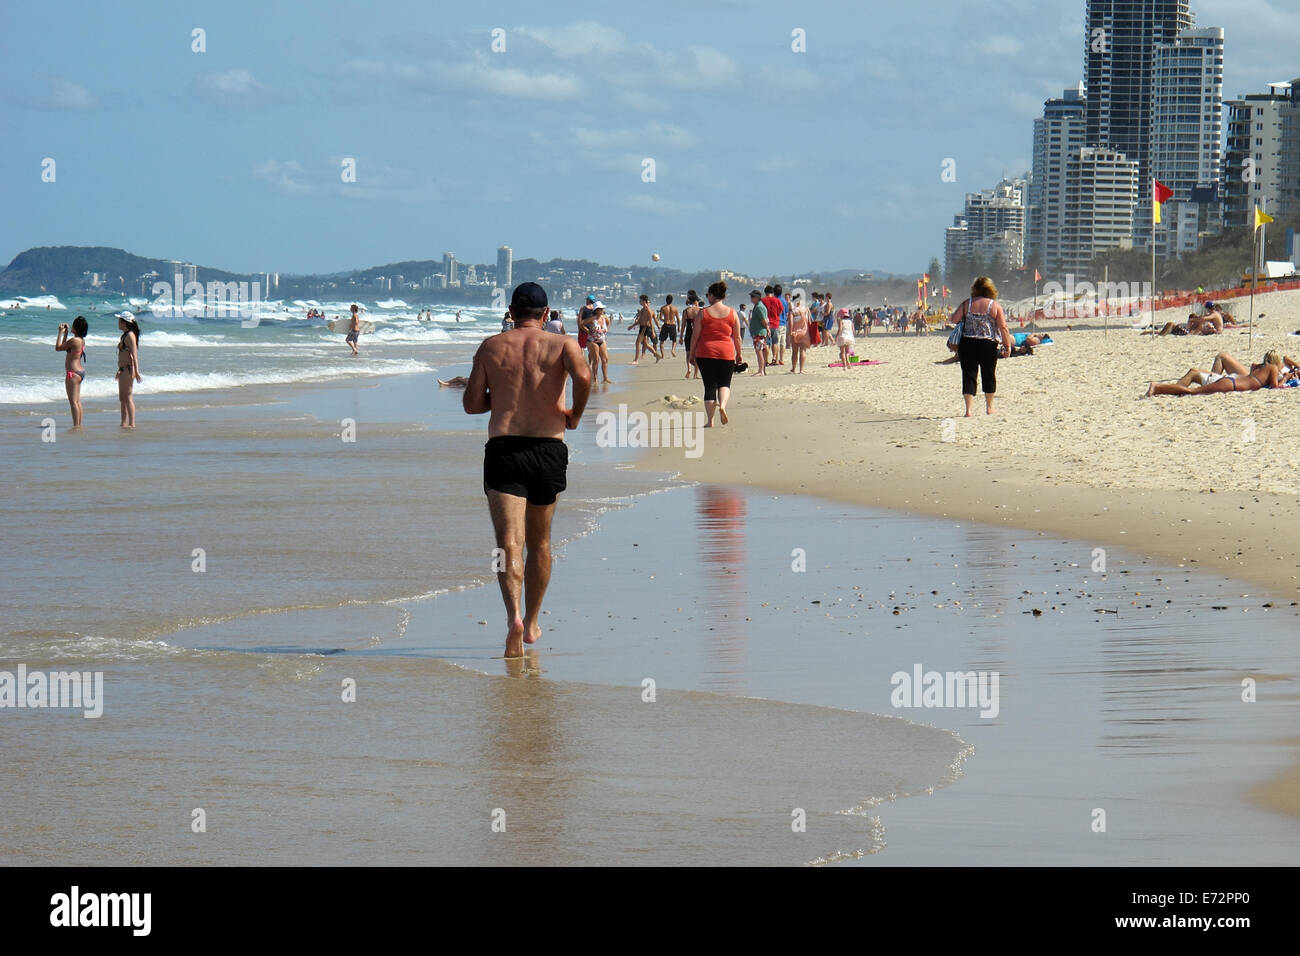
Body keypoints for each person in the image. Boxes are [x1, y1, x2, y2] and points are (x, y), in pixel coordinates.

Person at [463, 282, 592, 659]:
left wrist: (501, 395)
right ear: (547, 312)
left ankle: (514, 618)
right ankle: (534, 621)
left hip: (505, 448)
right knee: (541, 542)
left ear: (511, 311)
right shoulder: (563, 345)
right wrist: (575, 415)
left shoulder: (491, 346)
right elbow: (584, 378)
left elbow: (472, 405)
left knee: (508, 544)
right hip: (548, 447)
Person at [950, 277, 1013, 416]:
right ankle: (989, 407)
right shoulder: (994, 305)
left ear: (975, 289)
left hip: (967, 342)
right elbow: (1003, 327)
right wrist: (1007, 345)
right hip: (988, 344)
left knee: (968, 375)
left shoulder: (967, 303)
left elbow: (954, 319)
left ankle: (968, 410)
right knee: (988, 374)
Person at [688, 281, 742, 426]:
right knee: (724, 384)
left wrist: (691, 353)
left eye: (708, 295)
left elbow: (695, 336)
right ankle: (723, 406)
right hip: (727, 352)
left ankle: (710, 420)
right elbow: (737, 337)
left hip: (705, 352)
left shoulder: (703, 313)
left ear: (712, 295)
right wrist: (739, 354)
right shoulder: (732, 312)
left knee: (710, 386)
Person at [1146, 350, 1294, 396]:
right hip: (1232, 385)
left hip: (1233, 380)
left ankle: (1160, 389)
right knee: (1193, 391)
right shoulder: (1273, 369)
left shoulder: (1259, 367)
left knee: (1194, 390)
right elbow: (1275, 387)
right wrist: (1285, 378)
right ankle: (1157, 388)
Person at [55, 315, 88, 428]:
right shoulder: (80, 340)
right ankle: (79, 424)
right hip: (79, 372)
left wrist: (60, 332)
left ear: (76, 328)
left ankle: (76, 426)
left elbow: (58, 347)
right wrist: (66, 334)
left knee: (73, 402)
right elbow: (65, 347)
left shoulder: (74, 340)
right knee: (77, 401)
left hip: (73, 373)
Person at [115, 312, 143, 428]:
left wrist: (136, 372)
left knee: (128, 396)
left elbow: (134, 355)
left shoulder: (130, 335)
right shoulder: (125, 335)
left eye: (119, 320)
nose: (118, 323)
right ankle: (123, 422)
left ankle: (132, 423)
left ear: (124, 322)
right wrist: (119, 369)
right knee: (122, 397)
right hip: (122, 369)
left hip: (128, 369)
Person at [582, 302, 613, 384]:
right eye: (601, 309)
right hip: (592, 341)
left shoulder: (604, 318)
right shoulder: (592, 319)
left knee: (605, 359)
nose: (602, 310)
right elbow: (582, 324)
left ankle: (605, 378)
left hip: (602, 340)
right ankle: (595, 379)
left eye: (603, 309)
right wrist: (588, 331)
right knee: (596, 360)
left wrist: (605, 330)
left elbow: (608, 323)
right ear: (596, 310)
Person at [629, 294, 661, 364]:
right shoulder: (642, 310)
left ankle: (636, 360)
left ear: (644, 301)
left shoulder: (648, 310)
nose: (639, 302)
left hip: (645, 328)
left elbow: (650, 322)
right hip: (642, 327)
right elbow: (639, 321)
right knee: (645, 344)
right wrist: (632, 326)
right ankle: (657, 355)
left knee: (637, 343)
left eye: (640, 300)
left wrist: (653, 332)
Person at [747, 289, 769, 375]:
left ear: (757, 298)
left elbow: (764, 320)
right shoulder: (757, 306)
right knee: (759, 351)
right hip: (758, 332)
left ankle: (761, 371)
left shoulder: (759, 307)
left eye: (752, 297)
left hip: (759, 333)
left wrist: (767, 328)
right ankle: (762, 370)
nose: (751, 299)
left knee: (759, 351)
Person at [761, 285, 784, 365]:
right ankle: (774, 358)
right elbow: (781, 310)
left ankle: (766, 360)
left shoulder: (762, 300)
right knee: (775, 342)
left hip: (765, 324)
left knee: (766, 343)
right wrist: (776, 316)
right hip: (775, 323)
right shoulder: (777, 300)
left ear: (765, 292)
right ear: (772, 292)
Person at [681, 291, 701, 379]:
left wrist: (681, 336)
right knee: (697, 353)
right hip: (697, 333)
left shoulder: (686, 311)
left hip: (688, 333)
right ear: (696, 301)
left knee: (688, 353)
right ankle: (695, 374)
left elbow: (683, 325)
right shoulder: (700, 310)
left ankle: (689, 369)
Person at [788, 293, 810, 373]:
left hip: (795, 333)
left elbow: (791, 322)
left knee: (794, 352)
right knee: (803, 351)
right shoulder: (806, 309)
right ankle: (801, 369)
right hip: (805, 332)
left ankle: (793, 368)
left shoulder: (793, 311)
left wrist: (790, 331)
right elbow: (810, 320)